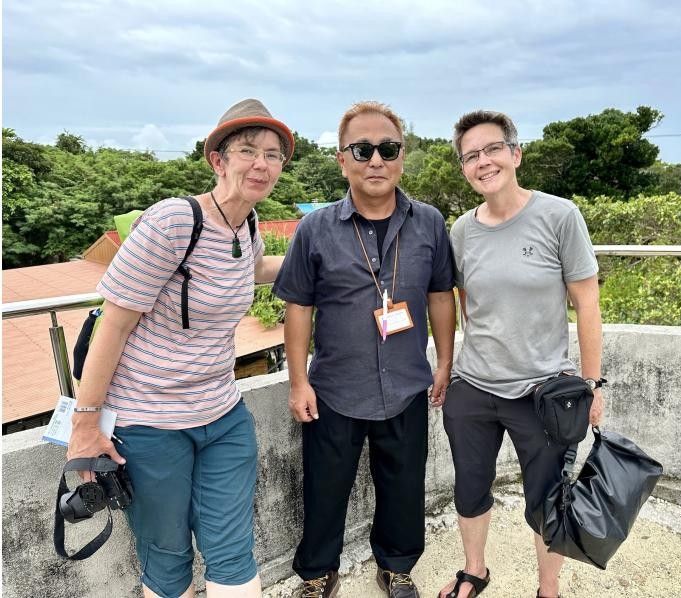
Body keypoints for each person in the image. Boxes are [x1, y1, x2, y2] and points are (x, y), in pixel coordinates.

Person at [66, 98, 294, 598]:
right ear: (219, 159)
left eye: (274, 154)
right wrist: (85, 429)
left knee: (233, 552)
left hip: (223, 414)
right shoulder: (173, 222)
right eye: (248, 151)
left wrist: (324, 261)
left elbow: (252, 270)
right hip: (149, 424)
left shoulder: (248, 225)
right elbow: (114, 326)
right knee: (167, 559)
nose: (262, 164)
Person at [273, 101, 456, 598]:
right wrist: (297, 381)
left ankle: (396, 566)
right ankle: (316, 573)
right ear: (342, 159)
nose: (376, 160)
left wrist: (444, 361)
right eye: (363, 149)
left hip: (406, 382)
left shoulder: (430, 223)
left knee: (403, 486)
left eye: (388, 149)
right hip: (334, 387)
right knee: (325, 488)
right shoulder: (315, 229)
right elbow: (298, 307)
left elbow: (441, 295)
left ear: (401, 156)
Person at [437, 110, 604, 598]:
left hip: (544, 393)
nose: (483, 162)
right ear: (464, 168)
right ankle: (475, 570)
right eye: (471, 156)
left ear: (515, 154)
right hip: (474, 388)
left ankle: (547, 588)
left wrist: (592, 383)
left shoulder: (559, 215)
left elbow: (587, 303)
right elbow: (467, 302)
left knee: (546, 501)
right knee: (470, 488)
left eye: (492, 149)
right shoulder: (462, 230)